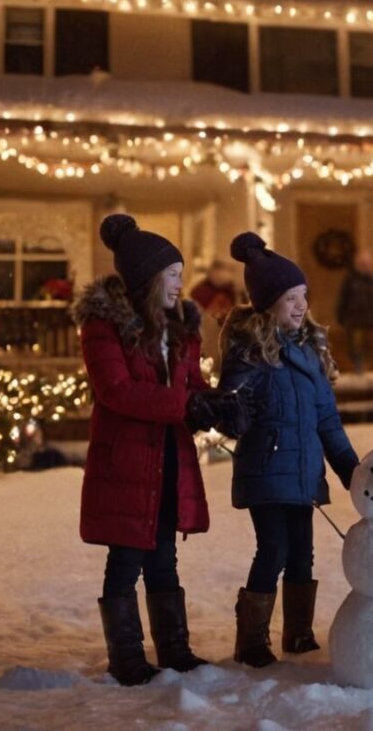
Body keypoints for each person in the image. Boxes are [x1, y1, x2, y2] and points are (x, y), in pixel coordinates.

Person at [73, 213, 248, 686]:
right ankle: (126, 657)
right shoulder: (105, 327)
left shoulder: (180, 329)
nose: (180, 283)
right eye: (172, 274)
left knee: (165, 557)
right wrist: (186, 404)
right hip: (128, 460)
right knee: (127, 559)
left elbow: (191, 384)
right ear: (150, 278)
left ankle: (174, 649)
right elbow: (118, 391)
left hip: (170, 459)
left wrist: (214, 403)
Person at [218, 231, 359, 668]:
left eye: (304, 296)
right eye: (290, 297)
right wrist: (234, 406)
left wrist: (352, 472)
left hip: (301, 471)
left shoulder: (309, 355)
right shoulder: (250, 354)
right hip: (266, 470)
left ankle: (297, 632)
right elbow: (231, 407)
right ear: (267, 302)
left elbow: (327, 422)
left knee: (303, 551)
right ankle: (252, 639)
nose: (301, 305)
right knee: (273, 548)